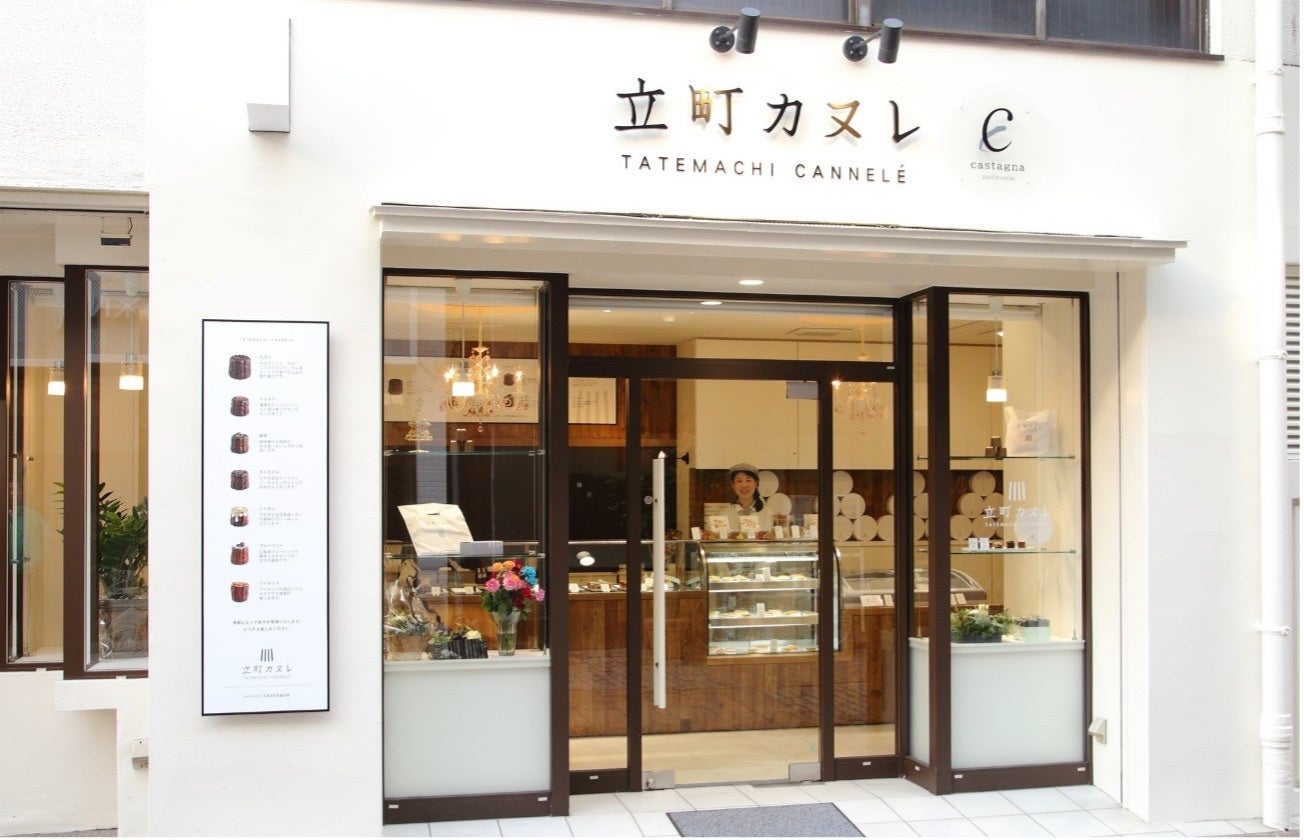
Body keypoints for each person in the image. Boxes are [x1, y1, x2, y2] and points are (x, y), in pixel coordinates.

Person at [726, 462, 770, 535]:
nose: (744, 485)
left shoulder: (769, 514)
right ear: (733, 485)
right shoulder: (724, 514)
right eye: (739, 481)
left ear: (756, 483)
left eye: (748, 480)